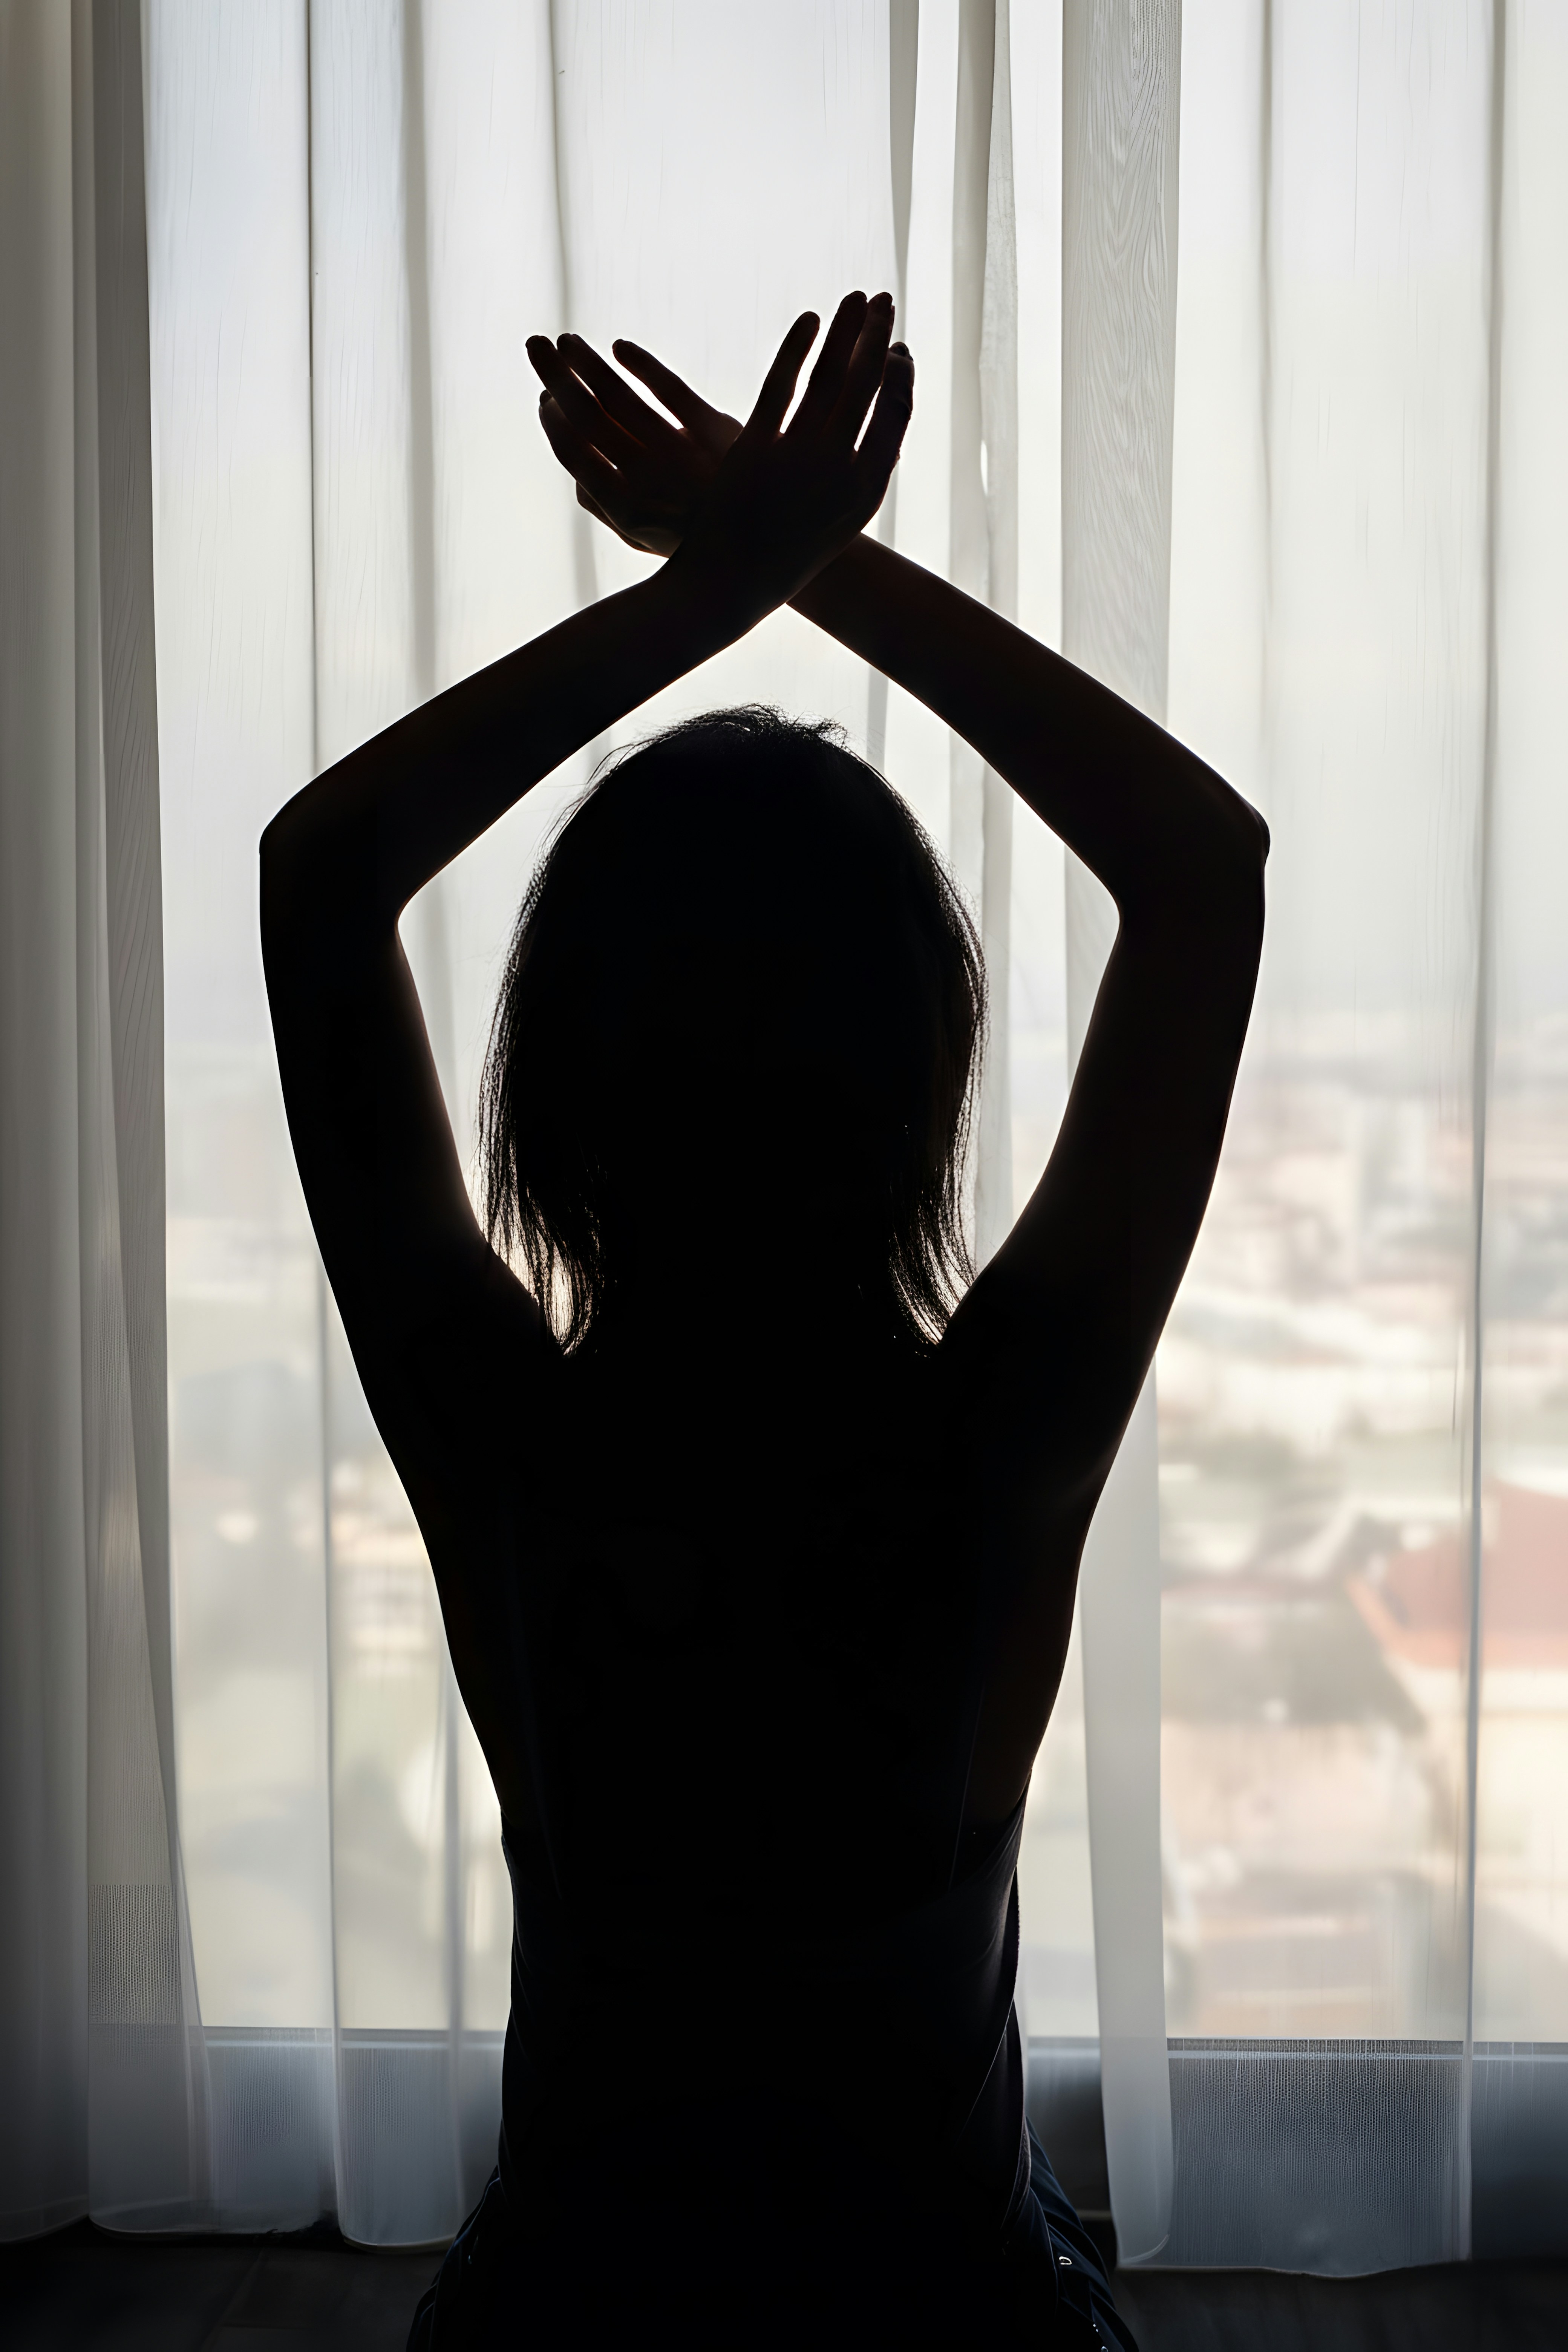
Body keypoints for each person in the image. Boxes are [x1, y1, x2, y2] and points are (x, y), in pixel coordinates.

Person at [261, 290, 1266, 2346]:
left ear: (555, 1091)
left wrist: (716, 590)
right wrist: (819, 563)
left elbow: (318, 879)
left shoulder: (515, 1457)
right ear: (925, 1076)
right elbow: (1202, 869)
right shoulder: (994, 1451)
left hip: (576, 2312)